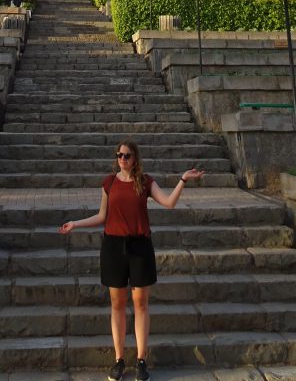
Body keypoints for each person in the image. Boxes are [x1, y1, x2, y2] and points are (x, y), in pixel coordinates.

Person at [58, 140, 205, 381]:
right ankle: (118, 360)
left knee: (140, 304)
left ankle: (141, 360)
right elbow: (102, 215)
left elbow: (169, 203)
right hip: (114, 247)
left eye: (127, 155)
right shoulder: (109, 183)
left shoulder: (145, 182)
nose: (122, 159)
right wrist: (76, 223)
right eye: (119, 155)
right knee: (117, 304)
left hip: (140, 247)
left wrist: (183, 180)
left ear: (135, 158)